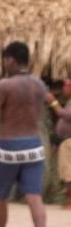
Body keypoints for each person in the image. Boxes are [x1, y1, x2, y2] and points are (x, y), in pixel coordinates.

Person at [0, 41, 52, 227]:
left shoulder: (5, 85)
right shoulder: (39, 85)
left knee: (0, 197)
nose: (4, 64)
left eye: (5, 60)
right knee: (34, 196)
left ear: (11, 59)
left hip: (8, 147)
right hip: (34, 146)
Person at [50, 80, 71, 208]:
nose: (63, 89)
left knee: (68, 172)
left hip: (69, 141)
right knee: (65, 171)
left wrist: (53, 101)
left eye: (65, 87)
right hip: (65, 141)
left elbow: (66, 115)